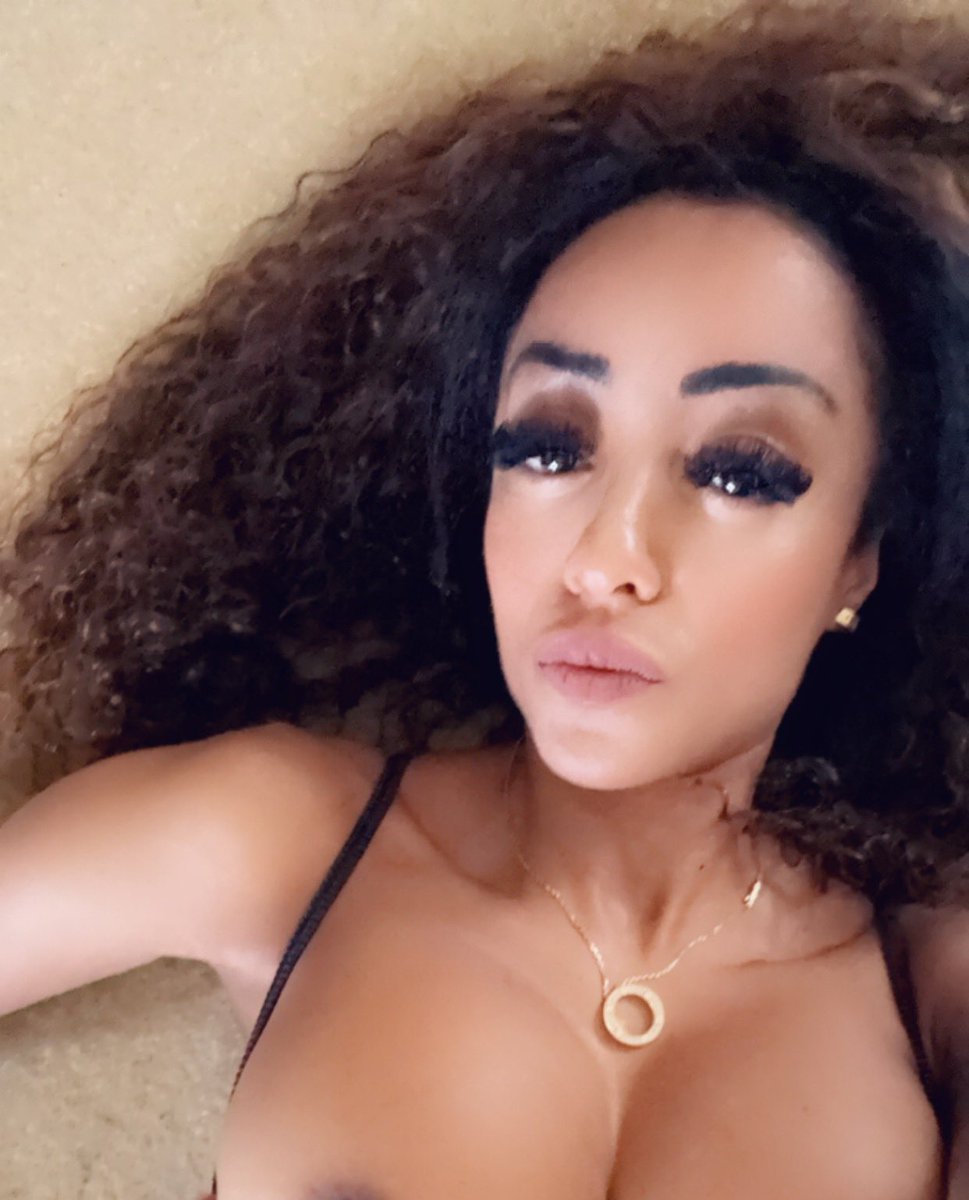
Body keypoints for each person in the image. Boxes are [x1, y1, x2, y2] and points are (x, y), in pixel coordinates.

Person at [0, 0, 967, 1194]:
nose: (606, 558)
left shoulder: (923, 984)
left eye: (739, 471)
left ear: (859, 558)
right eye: (550, 447)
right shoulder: (276, 838)